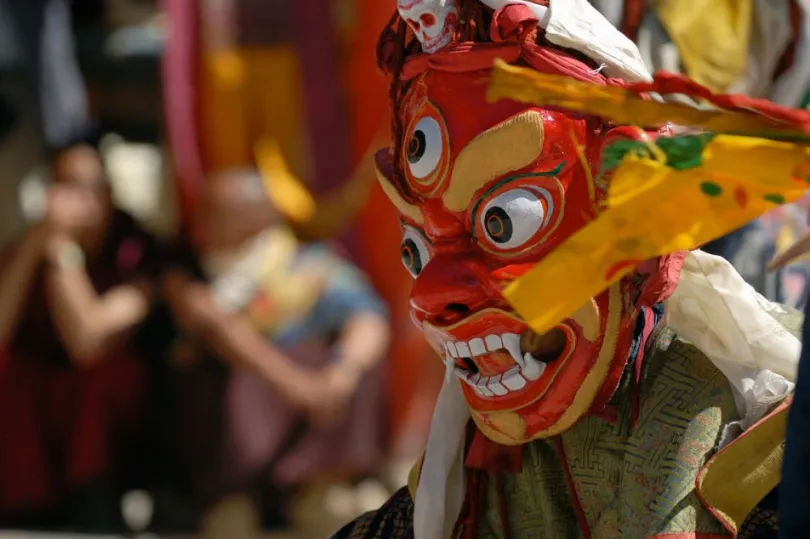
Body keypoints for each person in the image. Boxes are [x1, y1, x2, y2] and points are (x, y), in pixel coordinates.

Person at [332, 1, 801, 538]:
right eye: (416, 247)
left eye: (504, 224)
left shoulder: (775, 458)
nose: (433, 296)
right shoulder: (463, 487)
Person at [162, 165, 391, 532]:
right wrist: (295, 384)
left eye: (216, 213)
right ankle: (233, 500)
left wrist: (342, 372)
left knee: (345, 360)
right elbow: (221, 329)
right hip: (233, 446)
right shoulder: (188, 274)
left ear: (256, 218)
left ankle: (316, 490)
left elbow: (369, 318)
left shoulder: (308, 266)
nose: (202, 223)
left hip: (308, 426)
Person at [0, 142, 162, 531]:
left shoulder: (136, 250)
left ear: (108, 195)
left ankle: (91, 498)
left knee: (100, 378)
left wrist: (59, 253)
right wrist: (32, 250)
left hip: (118, 413)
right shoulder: (31, 241)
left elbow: (87, 341)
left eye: (90, 187)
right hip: (39, 398)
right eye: (66, 186)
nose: (78, 200)